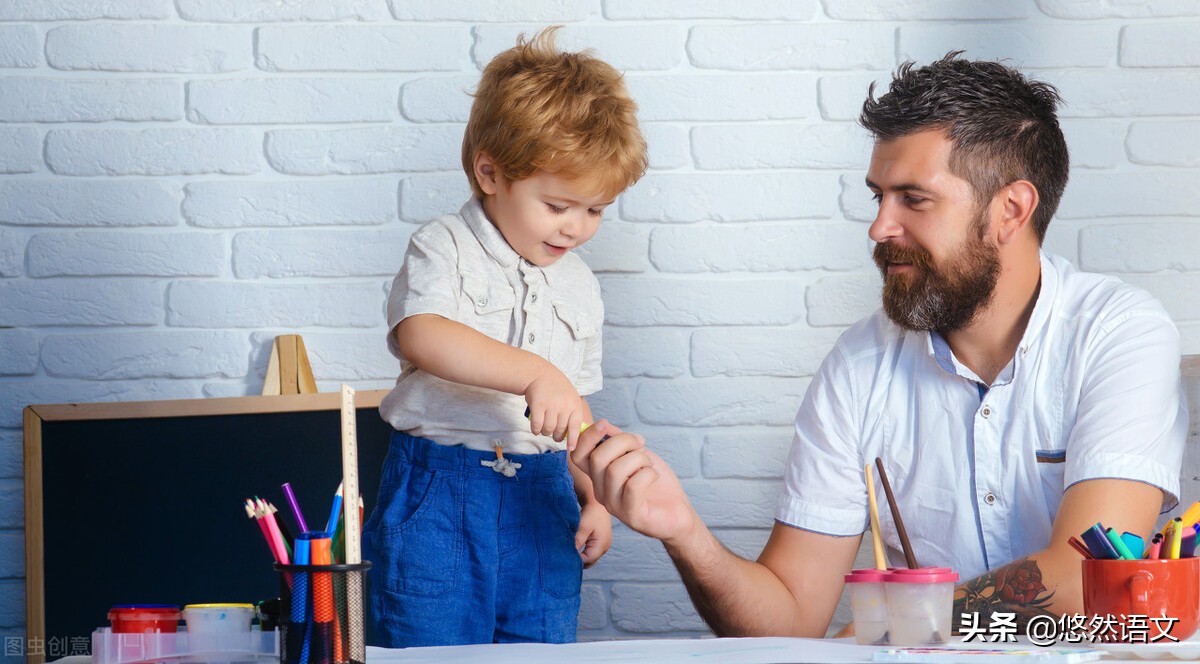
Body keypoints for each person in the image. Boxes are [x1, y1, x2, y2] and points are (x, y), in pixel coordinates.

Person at [570, 52, 1187, 637]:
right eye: (879, 196)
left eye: (913, 199)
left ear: (1010, 210)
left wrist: (895, 623)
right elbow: (791, 620)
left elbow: (1090, 582)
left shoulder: (1119, 333)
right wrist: (684, 532)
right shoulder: (859, 366)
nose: (879, 227)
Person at [362, 27, 647, 646]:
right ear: (490, 173)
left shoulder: (580, 286)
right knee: (427, 642)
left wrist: (593, 493)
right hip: (440, 492)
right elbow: (422, 333)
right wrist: (535, 373)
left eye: (595, 210)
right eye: (559, 205)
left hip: (543, 497)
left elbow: (568, 406)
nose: (576, 227)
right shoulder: (444, 246)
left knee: (539, 644)